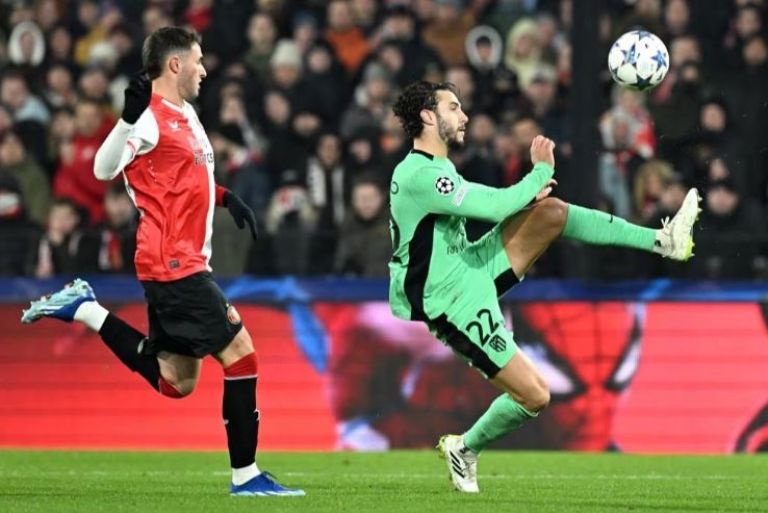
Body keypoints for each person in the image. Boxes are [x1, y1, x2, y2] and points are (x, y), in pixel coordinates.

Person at [20, 27, 304, 497]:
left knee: (177, 381)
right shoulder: (147, 118)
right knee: (241, 354)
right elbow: (103, 169)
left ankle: (85, 309)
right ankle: (246, 476)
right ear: (175, 65)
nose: (204, 69)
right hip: (174, 263)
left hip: (177, 261)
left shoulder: (185, 113)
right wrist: (125, 119)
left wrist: (225, 197)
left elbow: (180, 180)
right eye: (198, 60)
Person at [388, 81, 701, 493]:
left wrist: (533, 190)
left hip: (472, 266)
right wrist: (540, 171)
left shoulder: (439, 167)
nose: (463, 116)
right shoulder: (418, 174)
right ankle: (465, 448)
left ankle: (663, 242)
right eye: (453, 107)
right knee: (535, 395)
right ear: (428, 116)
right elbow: (495, 206)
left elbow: (496, 207)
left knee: (550, 213)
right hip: (449, 302)